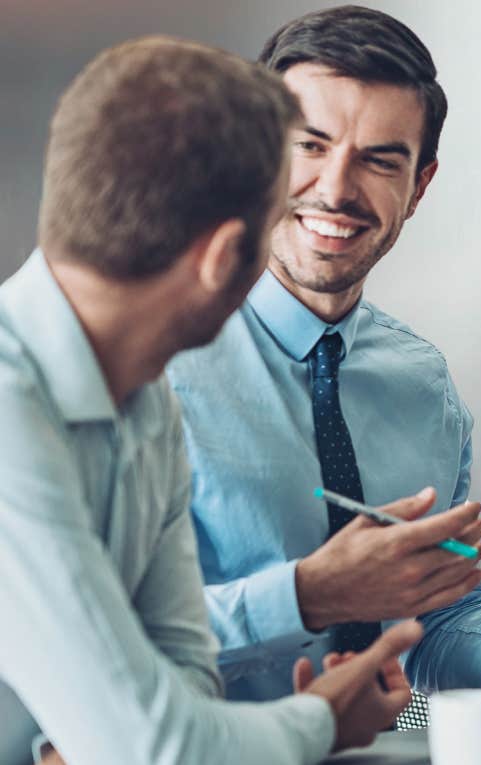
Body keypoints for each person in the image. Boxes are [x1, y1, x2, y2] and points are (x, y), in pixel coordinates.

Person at [165, 5, 481, 720]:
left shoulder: (421, 385)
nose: (336, 188)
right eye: (310, 145)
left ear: (419, 186)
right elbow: (94, 637)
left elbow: (435, 633)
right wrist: (310, 595)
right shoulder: (155, 366)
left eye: (379, 159)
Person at [0, 37, 425, 765]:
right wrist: (315, 719)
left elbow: (181, 690)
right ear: (225, 256)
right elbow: (156, 744)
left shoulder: (146, 398)